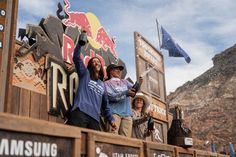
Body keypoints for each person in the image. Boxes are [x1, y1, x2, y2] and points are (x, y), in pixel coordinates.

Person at [68, 32, 116, 131]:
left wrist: (111, 119)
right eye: (93, 61)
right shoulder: (85, 74)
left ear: (100, 66)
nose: (96, 62)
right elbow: (76, 58)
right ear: (90, 65)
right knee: (76, 141)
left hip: (94, 118)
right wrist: (80, 44)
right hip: (80, 112)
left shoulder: (102, 85)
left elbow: (106, 106)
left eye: (98, 61)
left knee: (94, 145)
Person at [104, 63, 141, 137]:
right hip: (113, 114)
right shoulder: (106, 83)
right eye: (116, 69)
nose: (119, 71)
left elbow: (134, 91)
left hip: (127, 115)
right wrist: (126, 92)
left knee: (126, 141)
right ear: (110, 71)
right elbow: (111, 97)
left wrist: (138, 84)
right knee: (112, 138)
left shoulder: (125, 82)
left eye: (120, 69)